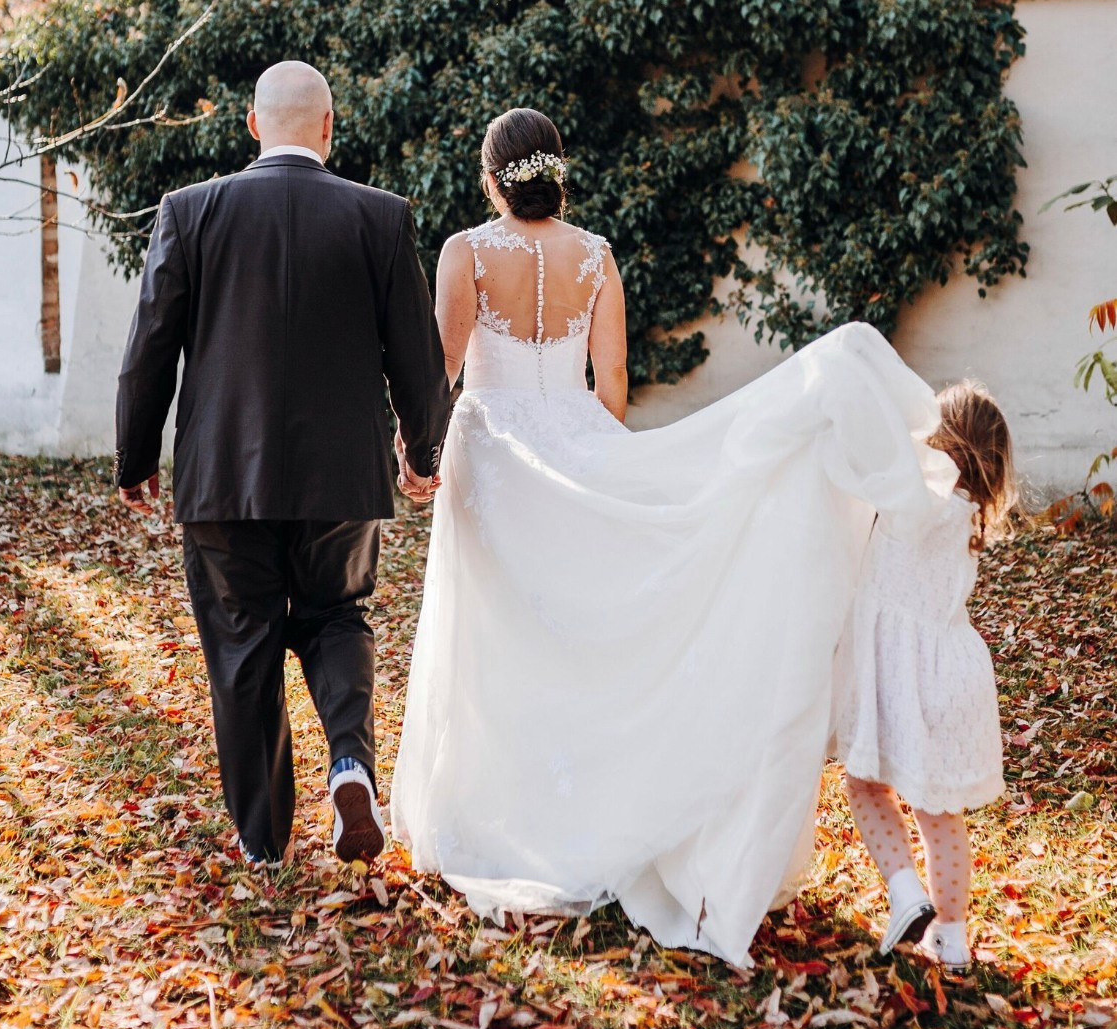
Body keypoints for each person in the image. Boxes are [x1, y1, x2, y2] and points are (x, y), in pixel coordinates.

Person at [390, 107, 954, 966]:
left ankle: (501, 813)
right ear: (555, 170)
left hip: (493, 460)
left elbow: (444, 365)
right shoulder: (597, 257)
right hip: (578, 448)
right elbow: (610, 381)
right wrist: (591, 460)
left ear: (491, 175)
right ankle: (595, 808)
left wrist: (416, 449)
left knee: (496, 640)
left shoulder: (467, 252)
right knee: (583, 638)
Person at [114, 61, 450, 866]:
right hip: (342, 476)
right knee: (336, 616)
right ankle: (349, 765)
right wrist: (423, 450)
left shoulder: (190, 211)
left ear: (253, 124)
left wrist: (135, 453)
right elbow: (418, 354)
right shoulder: (379, 216)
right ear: (329, 127)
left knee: (241, 644)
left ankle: (263, 841)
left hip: (223, 475)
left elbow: (150, 344)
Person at [833, 382, 1014, 970]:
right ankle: (953, 936)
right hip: (949, 673)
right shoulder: (969, 516)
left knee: (864, 785)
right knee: (939, 813)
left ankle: (905, 891)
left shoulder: (911, 496)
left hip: (894, 667)